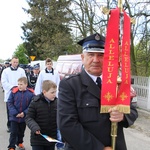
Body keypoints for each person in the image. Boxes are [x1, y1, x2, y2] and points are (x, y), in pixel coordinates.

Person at [57, 33, 138, 150]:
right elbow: (67, 125)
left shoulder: (116, 82)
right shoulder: (70, 85)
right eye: (90, 55)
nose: (95, 60)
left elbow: (133, 111)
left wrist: (123, 116)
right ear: (82, 57)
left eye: (101, 55)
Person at [25, 80, 57, 150]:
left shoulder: (57, 103)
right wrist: (35, 127)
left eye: (55, 92)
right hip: (38, 139)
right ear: (44, 92)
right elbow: (29, 118)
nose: (54, 94)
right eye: (52, 92)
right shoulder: (35, 102)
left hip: (51, 139)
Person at [7, 77, 34, 150]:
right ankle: (11, 146)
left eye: (21, 84)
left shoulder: (31, 94)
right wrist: (15, 113)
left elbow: (31, 105)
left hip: (23, 117)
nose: (19, 86)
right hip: (14, 117)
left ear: (26, 84)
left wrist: (24, 113)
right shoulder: (13, 92)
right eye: (18, 84)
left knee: (21, 132)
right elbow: (10, 103)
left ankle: (19, 142)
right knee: (13, 132)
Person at [1, 56, 26, 132]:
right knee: (10, 110)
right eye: (14, 62)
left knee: (19, 109)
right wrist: (12, 87)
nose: (15, 63)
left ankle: (19, 125)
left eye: (17, 62)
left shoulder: (21, 71)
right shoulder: (6, 71)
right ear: (11, 62)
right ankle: (10, 126)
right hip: (10, 93)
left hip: (20, 92)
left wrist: (20, 87)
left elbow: (24, 80)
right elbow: (4, 81)